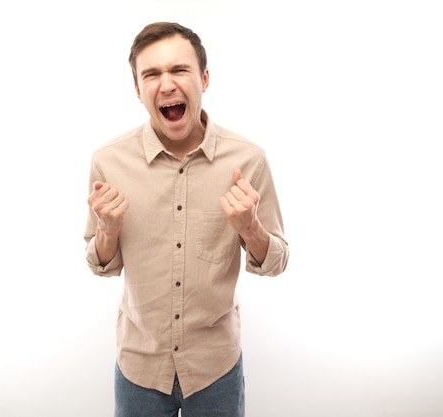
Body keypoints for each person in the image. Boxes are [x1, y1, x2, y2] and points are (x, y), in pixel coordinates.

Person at [84, 21, 289, 417]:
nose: (167, 84)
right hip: (139, 368)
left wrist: (250, 227)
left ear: (204, 78)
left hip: (216, 369)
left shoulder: (248, 159)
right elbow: (100, 264)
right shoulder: (107, 161)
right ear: (138, 89)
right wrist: (108, 230)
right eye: (152, 74)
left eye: (179, 70)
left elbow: (277, 261)